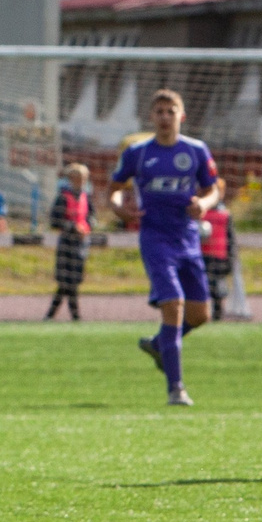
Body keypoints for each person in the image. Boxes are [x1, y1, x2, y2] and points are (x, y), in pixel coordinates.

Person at [107, 91, 224, 406]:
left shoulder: (196, 150)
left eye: (170, 111)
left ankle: (160, 345)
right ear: (152, 117)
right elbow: (115, 189)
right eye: (159, 111)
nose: (164, 116)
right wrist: (119, 209)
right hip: (155, 238)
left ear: (181, 116)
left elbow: (213, 189)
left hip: (188, 238)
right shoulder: (138, 153)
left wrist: (205, 203)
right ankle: (176, 388)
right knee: (173, 305)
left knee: (200, 315)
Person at [44, 164, 92, 321]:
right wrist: (72, 227)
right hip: (67, 243)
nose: (81, 181)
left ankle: (51, 315)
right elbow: (55, 221)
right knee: (66, 282)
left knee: (73, 281)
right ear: (71, 179)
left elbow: (92, 217)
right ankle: (74, 316)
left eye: (83, 178)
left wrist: (87, 226)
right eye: (77, 178)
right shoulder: (63, 197)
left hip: (81, 243)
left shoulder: (86, 197)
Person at [201, 198, 234, 321]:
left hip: (217, 254)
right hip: (202, 253)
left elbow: (230, 238)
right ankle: (207, 310)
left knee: (214, 284)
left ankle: (217, 311)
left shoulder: (224, 214)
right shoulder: (199, 211)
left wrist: (230, 257)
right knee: (206, 283)